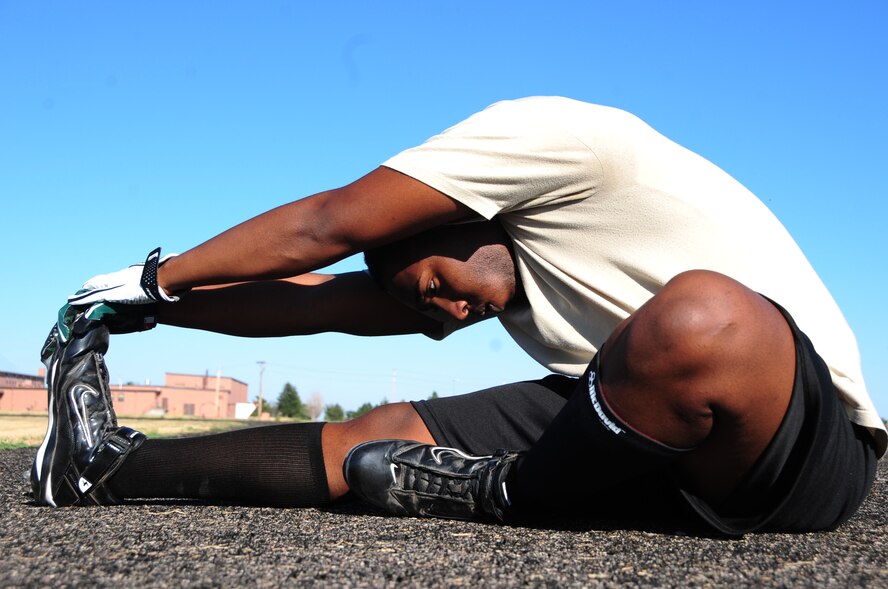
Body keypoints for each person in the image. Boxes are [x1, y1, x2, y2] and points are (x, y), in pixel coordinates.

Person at [32, 97, 885, 536]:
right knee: (377, 436)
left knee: (702, 316)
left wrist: (158, 276)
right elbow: (322, 306)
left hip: (794, 454)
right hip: (631, 430)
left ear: (465, 212)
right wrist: (147, 318)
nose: (442, 310)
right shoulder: (491, 274)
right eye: (423, 306)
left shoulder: (559, 142)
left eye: (433, 280)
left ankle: (509, 492)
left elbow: (329, 226)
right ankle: (105, 469)